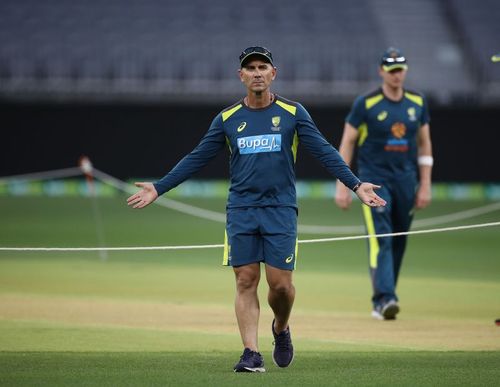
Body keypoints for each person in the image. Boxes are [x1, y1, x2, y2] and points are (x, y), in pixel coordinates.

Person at [127, 46, 386, 372]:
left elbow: (324, 150)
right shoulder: (227, 119)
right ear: (241, 76)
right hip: (241, 210)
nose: (257, 72)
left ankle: (280, 327)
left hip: (280, 209)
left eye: (263, 66)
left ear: (273, 73)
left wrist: (355, 183)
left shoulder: (294, 112)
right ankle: (251, 353)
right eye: (250, 68)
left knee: (280, 286)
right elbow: (197, 156)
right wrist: (160, 186)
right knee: (245, 281)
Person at [335, 47, 433, 321]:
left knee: (399, 239)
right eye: (391, 70)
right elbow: (347, 143)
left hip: (406, 181)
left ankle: (386, 295)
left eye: (400, 69)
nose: (396, 75)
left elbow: (425, 144)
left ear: (406, 70)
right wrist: (342, 185)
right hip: (373, 183)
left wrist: (425, 184)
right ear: (381, 71)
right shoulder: (365, 104)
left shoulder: (417, 102)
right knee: (382, 239)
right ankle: (384, 299)